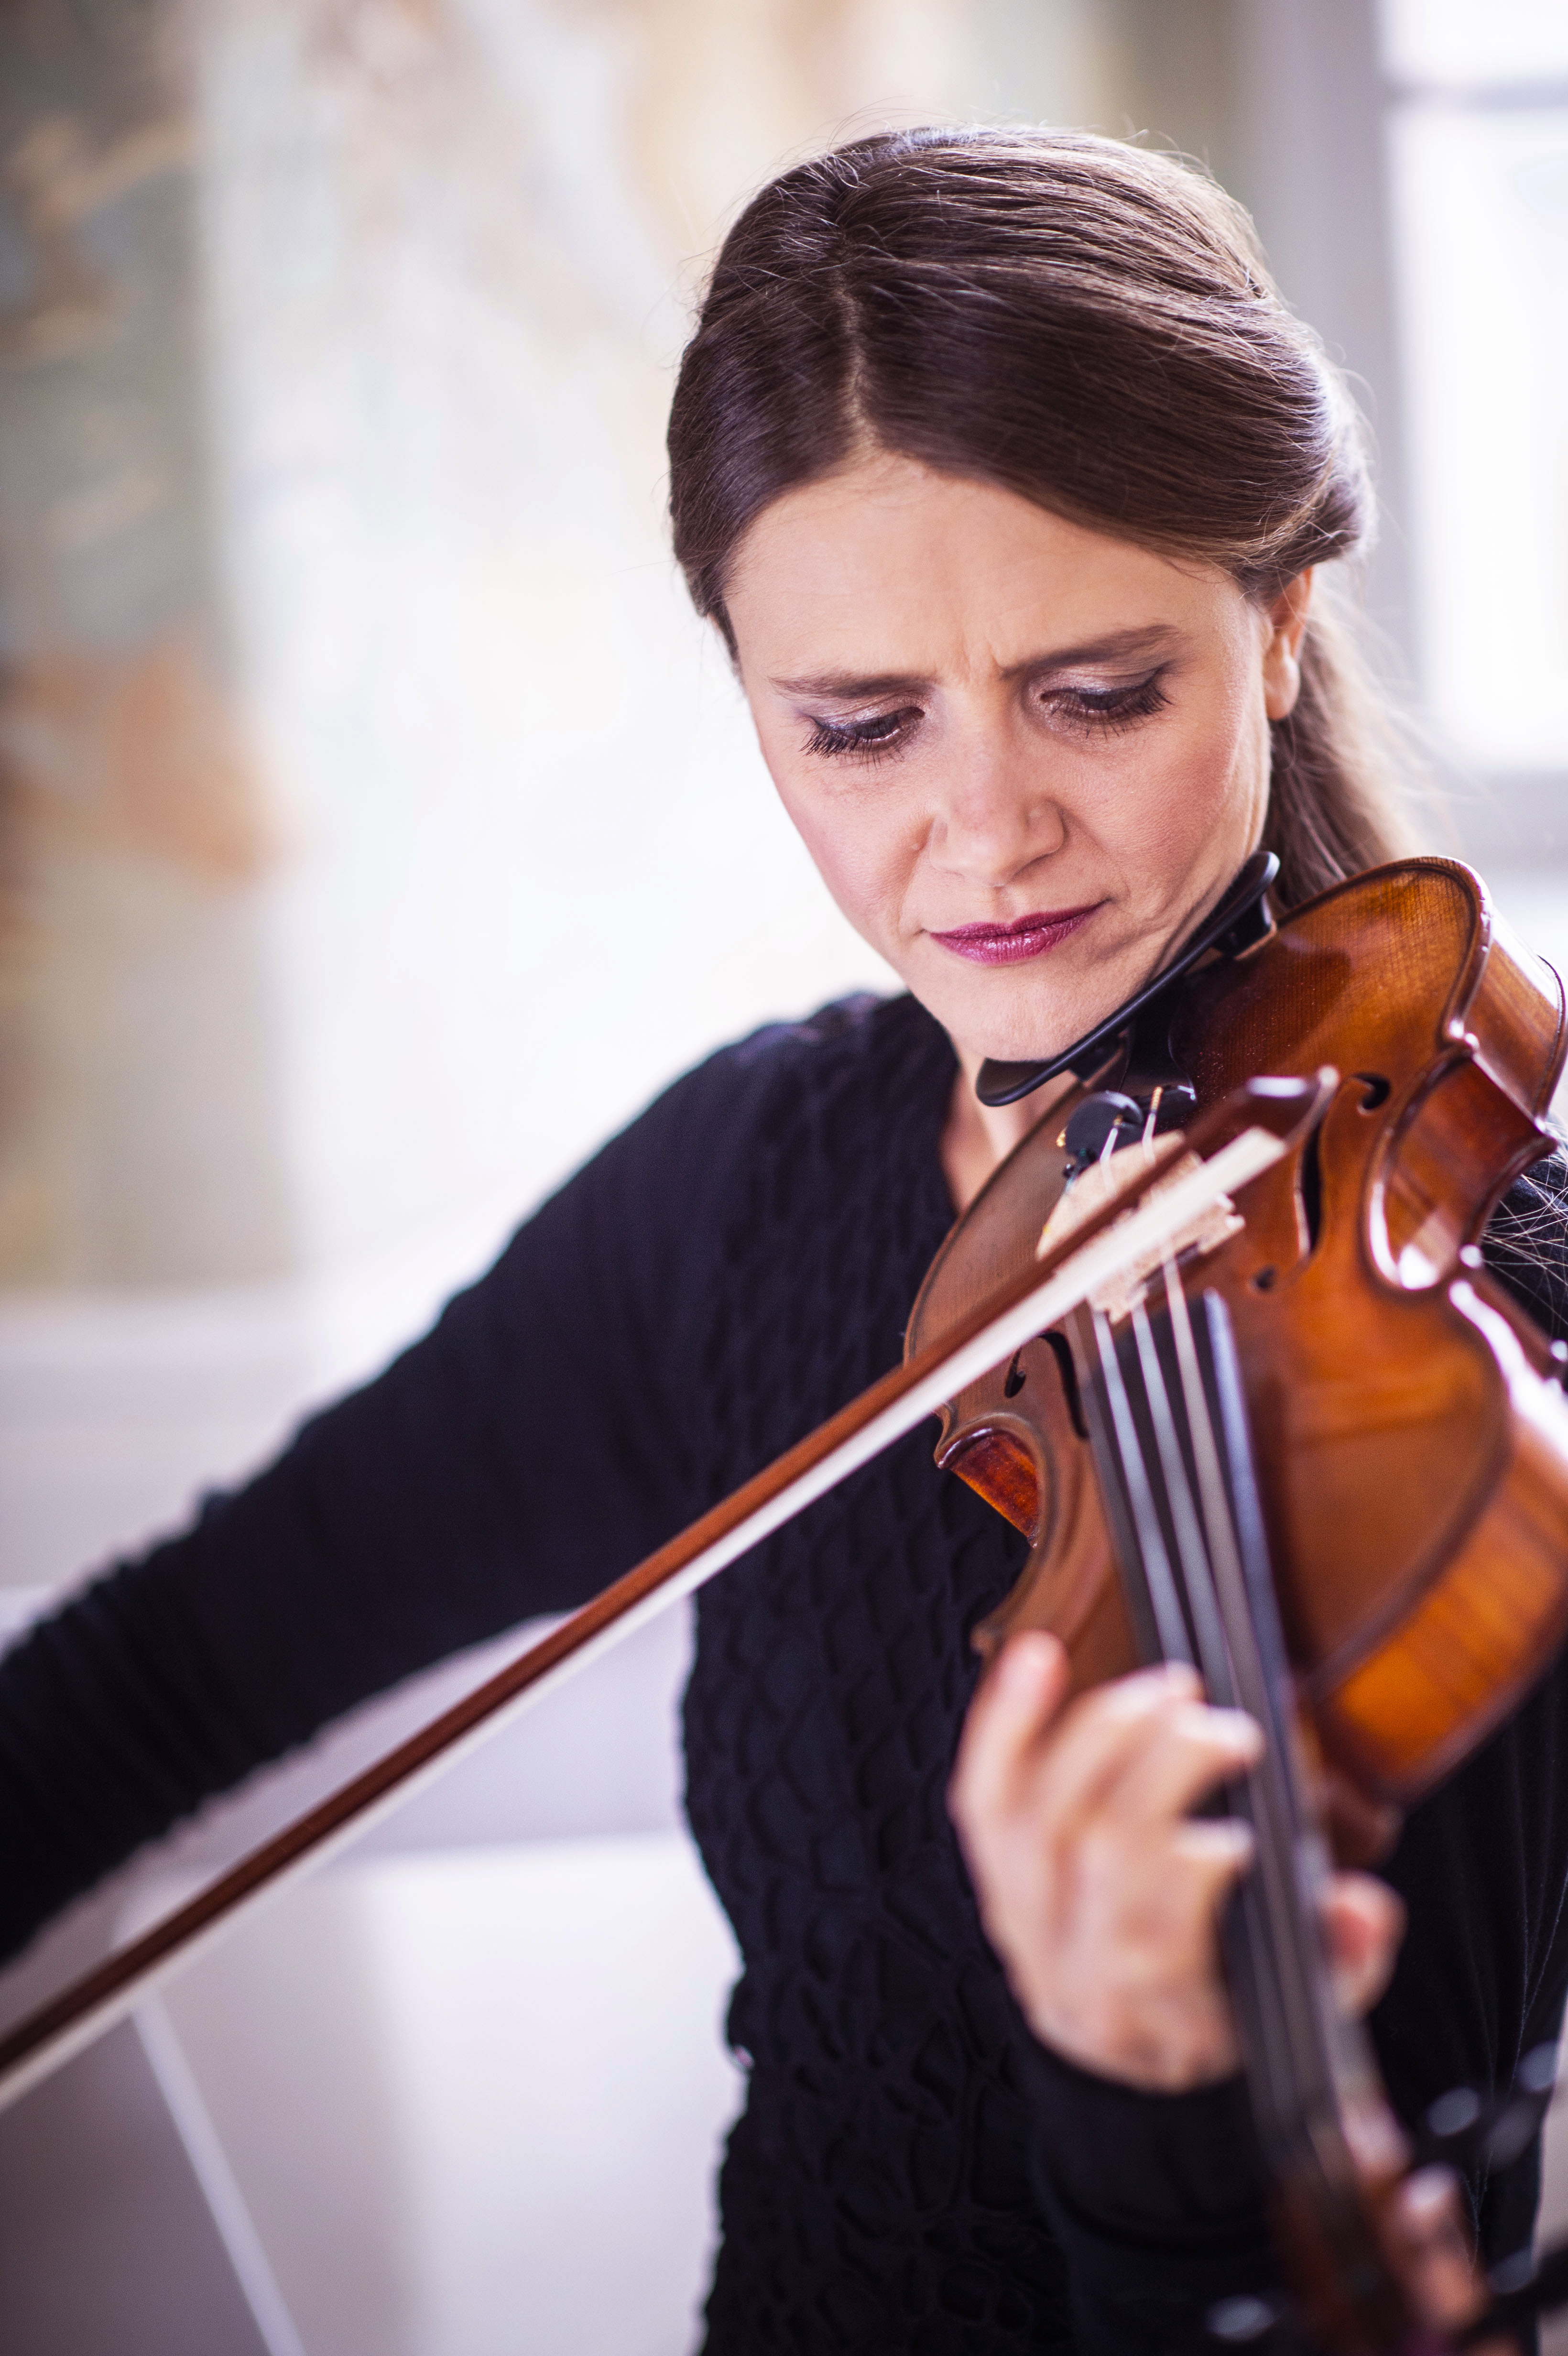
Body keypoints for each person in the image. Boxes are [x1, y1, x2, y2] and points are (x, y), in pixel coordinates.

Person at [2, 126, 1567, 2354]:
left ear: (1280, 624)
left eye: (1099, 690)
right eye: (855, 725)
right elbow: (167, 1669)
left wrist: (1160, 2119)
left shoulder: (1499, 1357)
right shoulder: (751, 1191)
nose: (983, 826)